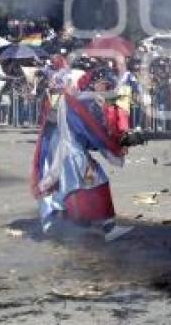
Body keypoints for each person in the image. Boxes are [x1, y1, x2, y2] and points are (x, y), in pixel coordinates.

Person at [32, 58, 132, 240]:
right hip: (71, 153)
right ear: (95, 83)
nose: (106, 87)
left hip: (66, 151)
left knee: (67, 190)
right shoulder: (82, 103)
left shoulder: (77, 101)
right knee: (95, 182)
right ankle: (105, 227)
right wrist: (114, 142)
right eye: (104, 84)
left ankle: (66, 226)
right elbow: (92, 134)